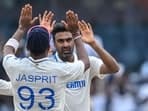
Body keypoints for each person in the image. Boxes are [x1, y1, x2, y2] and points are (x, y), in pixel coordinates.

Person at [0, 9, 119, 111]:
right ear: (53, 45)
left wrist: (94, 44)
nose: (66, 44)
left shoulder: (88, 61)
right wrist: (76, 34)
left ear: (73, 41)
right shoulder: (53, 66)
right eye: (60, 41)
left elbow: (114, 68)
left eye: (69, 39)